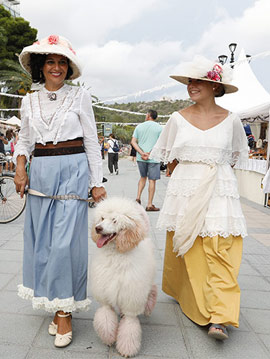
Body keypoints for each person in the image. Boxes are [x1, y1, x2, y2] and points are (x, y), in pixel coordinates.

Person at [13, 35, 106, 348]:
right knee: (45, 244)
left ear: (69, 67)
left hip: (73, 171)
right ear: (41, 66)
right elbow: (24, 141)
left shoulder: (79, 98)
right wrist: (20, 169)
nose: (56, 67)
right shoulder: (28, 101)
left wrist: (97, 181)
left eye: (62, 62)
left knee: (65, 244)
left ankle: (65, 311)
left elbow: (92, 140)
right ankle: (57, 302)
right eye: (50, 62)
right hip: (40, 174)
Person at [150, 56, 248, 340]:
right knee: (191, 249)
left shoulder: (232, 120)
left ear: (214, 86)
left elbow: (233, 158)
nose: (191, 86)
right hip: (186, 189)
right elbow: (169, 158)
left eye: (197, 81)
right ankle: (192, 299)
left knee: (221, 248)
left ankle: (220, 316)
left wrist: (210, 177)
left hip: (219, 187)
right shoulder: (177, 119)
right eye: (189, 81)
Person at [131, 109, 162, 211]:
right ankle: (149, 204)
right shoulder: (159, 128)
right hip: (154, 157)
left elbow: (133, 142)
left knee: (142, 177)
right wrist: (150, 153)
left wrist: (141, 153)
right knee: (152, 180)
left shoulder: (139, 127)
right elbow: (160, 143)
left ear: (148, 115)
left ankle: (138, 197)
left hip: (141, 158)